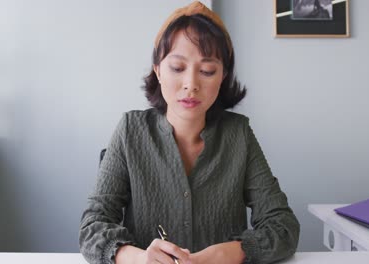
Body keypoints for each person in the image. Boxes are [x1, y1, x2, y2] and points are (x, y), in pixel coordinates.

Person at [79, 1, 300, 263]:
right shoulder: (130, 130)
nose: (191, 84)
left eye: (207, 71)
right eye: (177, 68)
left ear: (223, 77)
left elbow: (283, 226)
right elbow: (93, 225)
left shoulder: (238, 133)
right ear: (158, 70)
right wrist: (137, 258)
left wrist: (225, 252)